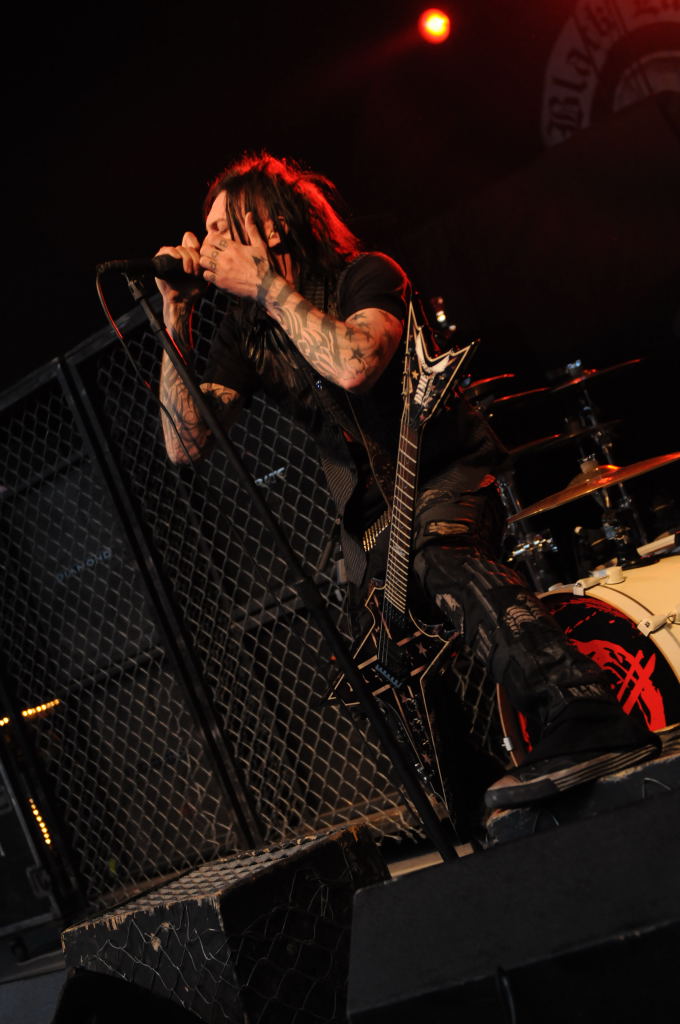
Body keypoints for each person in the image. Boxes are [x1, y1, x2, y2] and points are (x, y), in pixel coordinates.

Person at [155, 152, 658, 812]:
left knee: (436, 551)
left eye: (224, 227)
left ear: (273, 228)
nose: (209, 242)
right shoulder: (243, 333)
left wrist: (270, 291)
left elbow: (355, 364)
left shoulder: (367, 275)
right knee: (382, 656)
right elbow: (184, 443)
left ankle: (586, 712)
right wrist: (175, 314)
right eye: (207, 230)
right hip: (371, 513)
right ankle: (473, 799)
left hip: (445, 471)